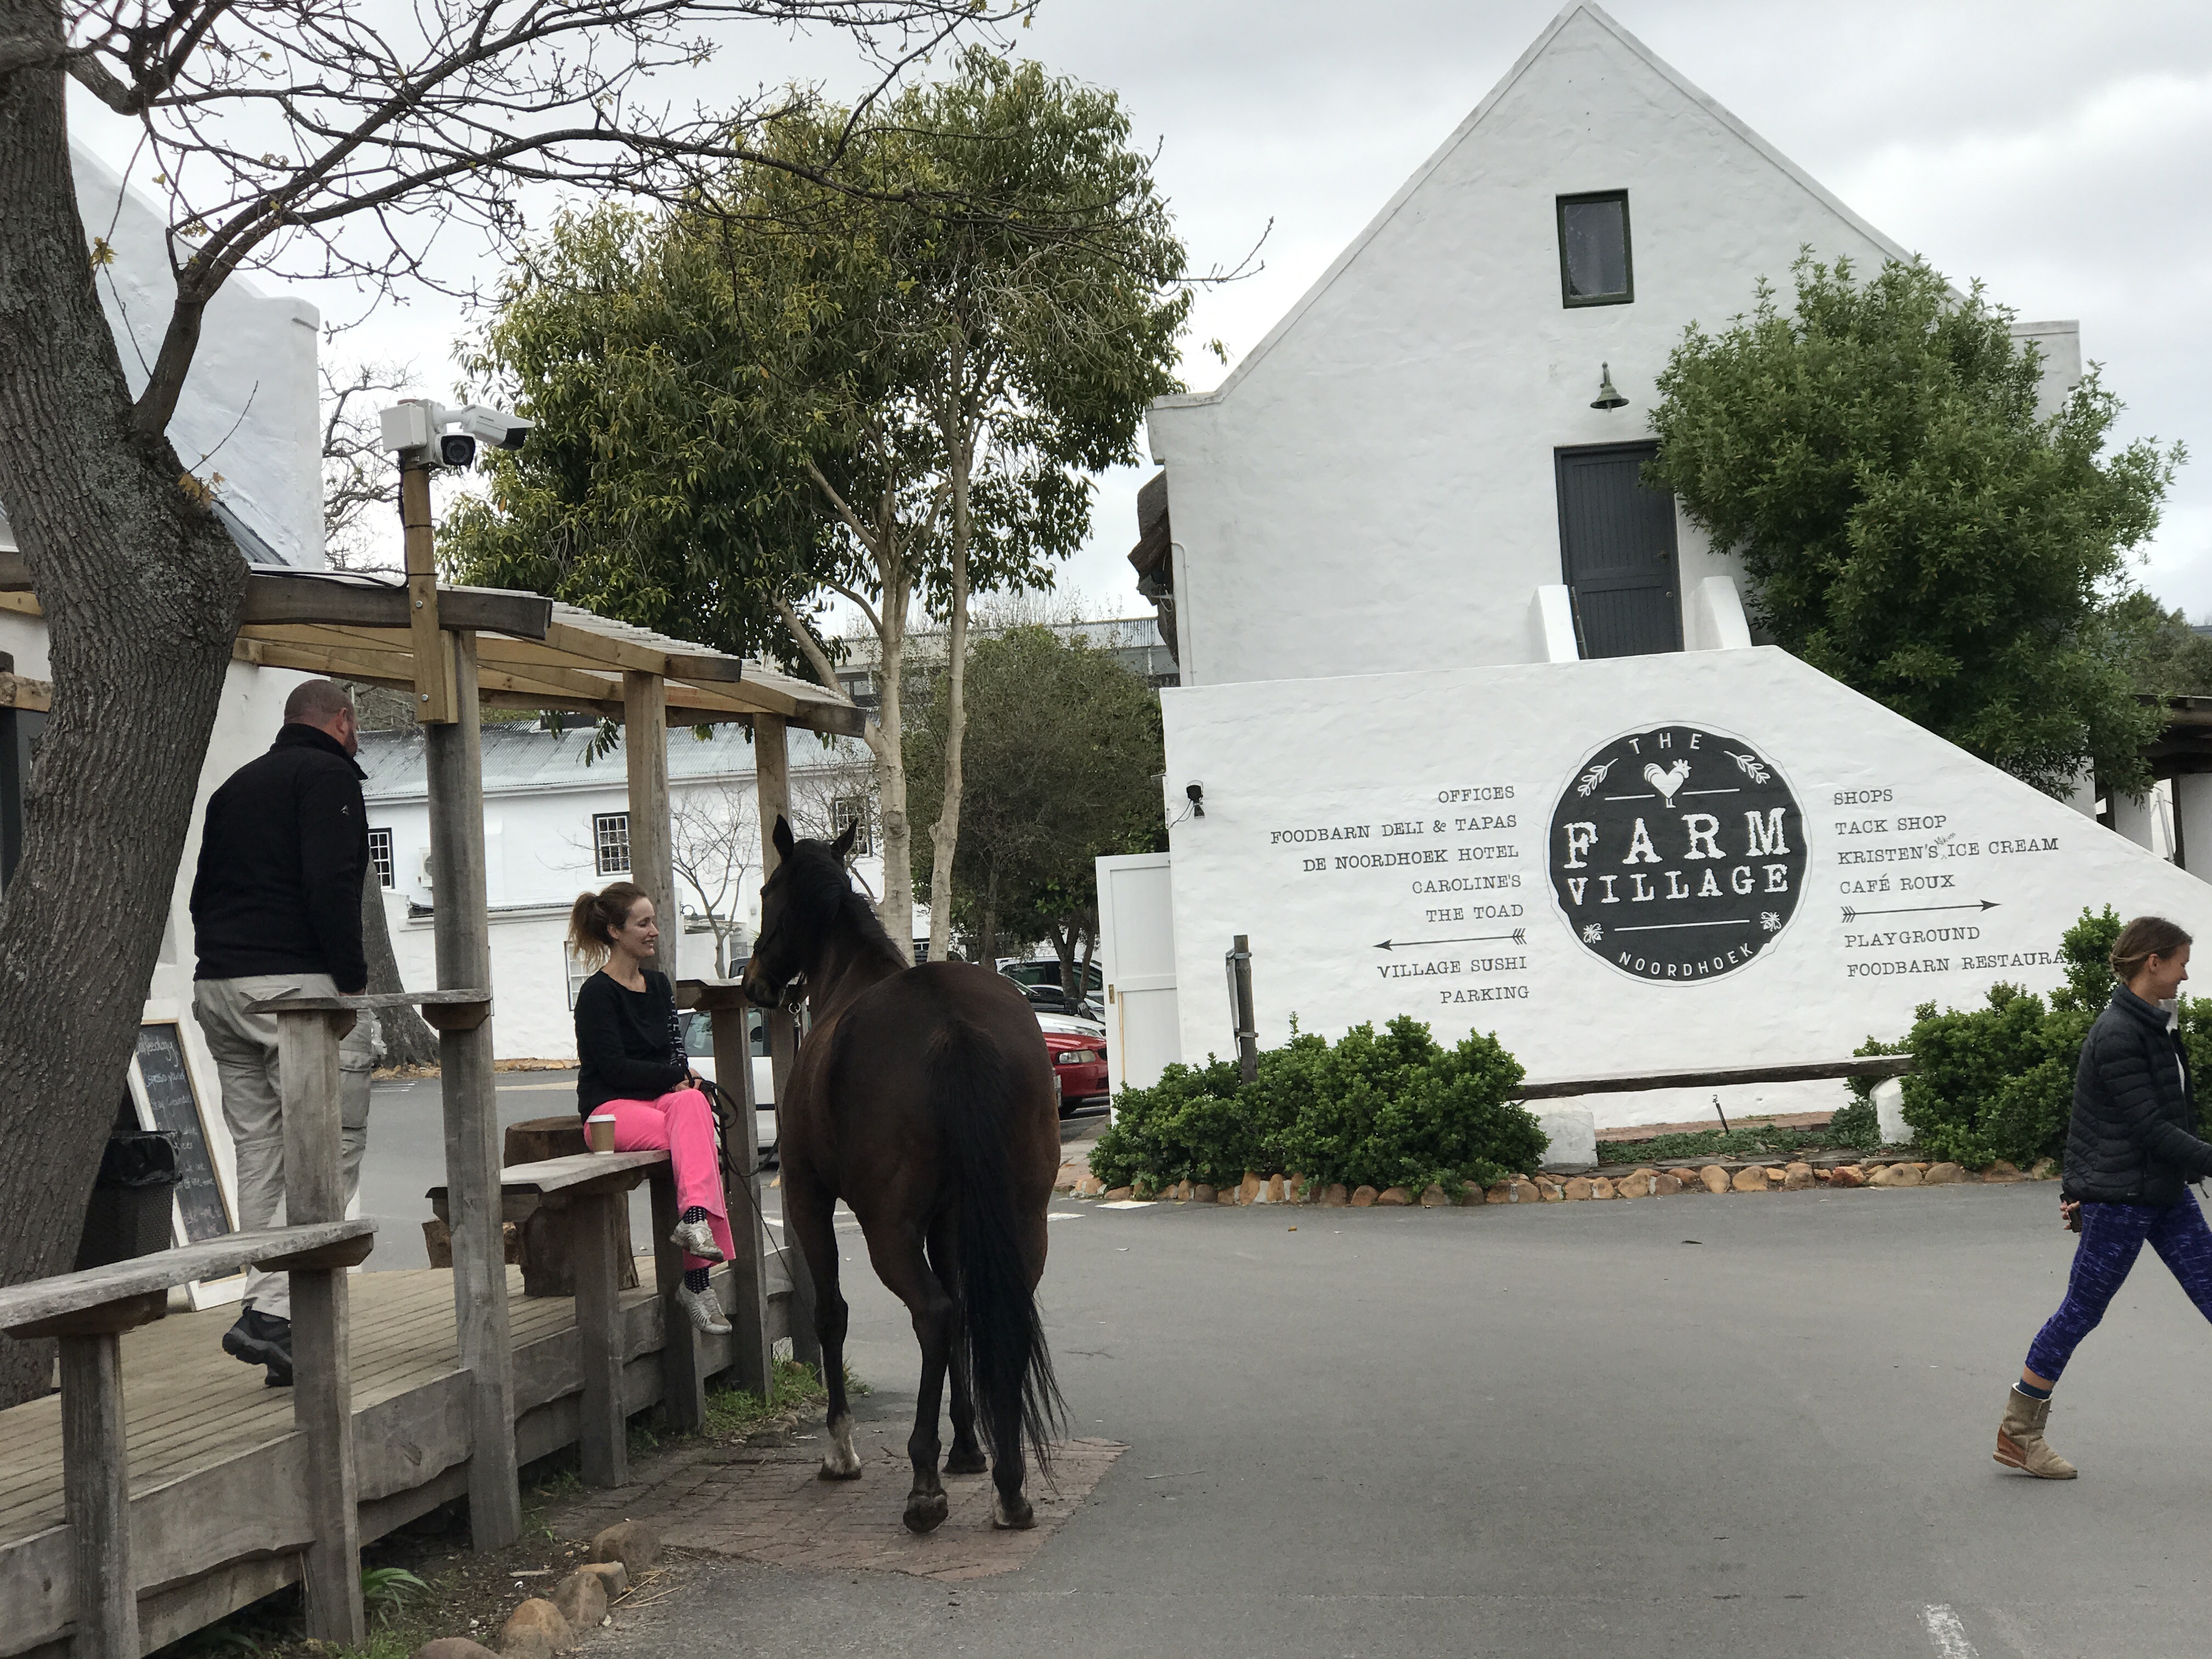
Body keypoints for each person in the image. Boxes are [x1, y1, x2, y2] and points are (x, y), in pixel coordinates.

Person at [190, 678, 380, 1386]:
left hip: (220, 986)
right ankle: (277, 1313)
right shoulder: (329, 778)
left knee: (262, 1154)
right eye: (355, 727)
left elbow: (200, 894)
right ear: (342, 721)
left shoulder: (235, 787)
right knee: (327, 1143)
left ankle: (270, 1314)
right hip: (294, 990)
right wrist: (350, 980)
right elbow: (332, 883)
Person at [1997, 915, 2212, 1478]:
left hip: (2160, 1189)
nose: (2186, 975)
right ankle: (2019, 1433)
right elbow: (2146, 1126)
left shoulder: (2154, 1022)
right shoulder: (2118, 1032)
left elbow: (2157, 1116)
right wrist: (2082, 1190)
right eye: (2182, 964)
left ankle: (2018, 1434)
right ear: (2154, 962)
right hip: (2123, 1198)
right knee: (2082, 1310)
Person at [569, 881, 736, 1335]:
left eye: (654, 922)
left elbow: (674, 1054)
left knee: (694, 1104)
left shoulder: (659, 985)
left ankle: (695, 1230)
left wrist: (686, 1077)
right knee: (695, 1139)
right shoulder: (597, 994)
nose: (654, 931)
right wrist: (674, 1075)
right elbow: (614, 1069)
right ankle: (698, 1281)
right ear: (615, 931)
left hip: (661, 1104)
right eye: (643, 923)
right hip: (609, 1111)